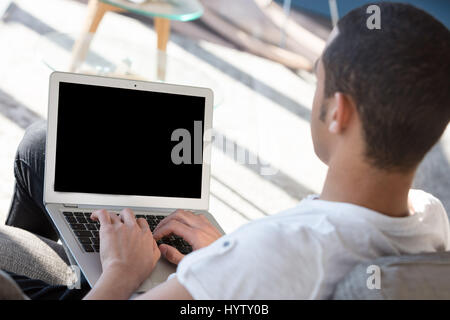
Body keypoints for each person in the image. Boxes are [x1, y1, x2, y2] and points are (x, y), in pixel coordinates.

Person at [4, 2, 450, 299]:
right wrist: (225, 253)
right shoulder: (430, 220)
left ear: (339, 113)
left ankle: (48, 265)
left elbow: (271, 262)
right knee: (45, 145)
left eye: (319, 79)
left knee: (35, 164)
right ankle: (56, 249)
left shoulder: (277, 249)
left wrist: (121, 269)